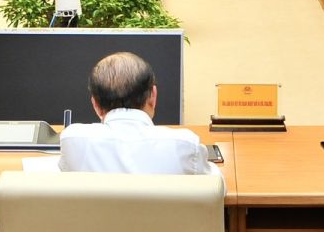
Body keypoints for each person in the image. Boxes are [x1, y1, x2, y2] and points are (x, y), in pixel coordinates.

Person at [58, 51, 213, 175]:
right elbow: (217, 188)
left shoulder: (72, 140)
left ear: (95, 104)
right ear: (153, 96)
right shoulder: (185, 144)